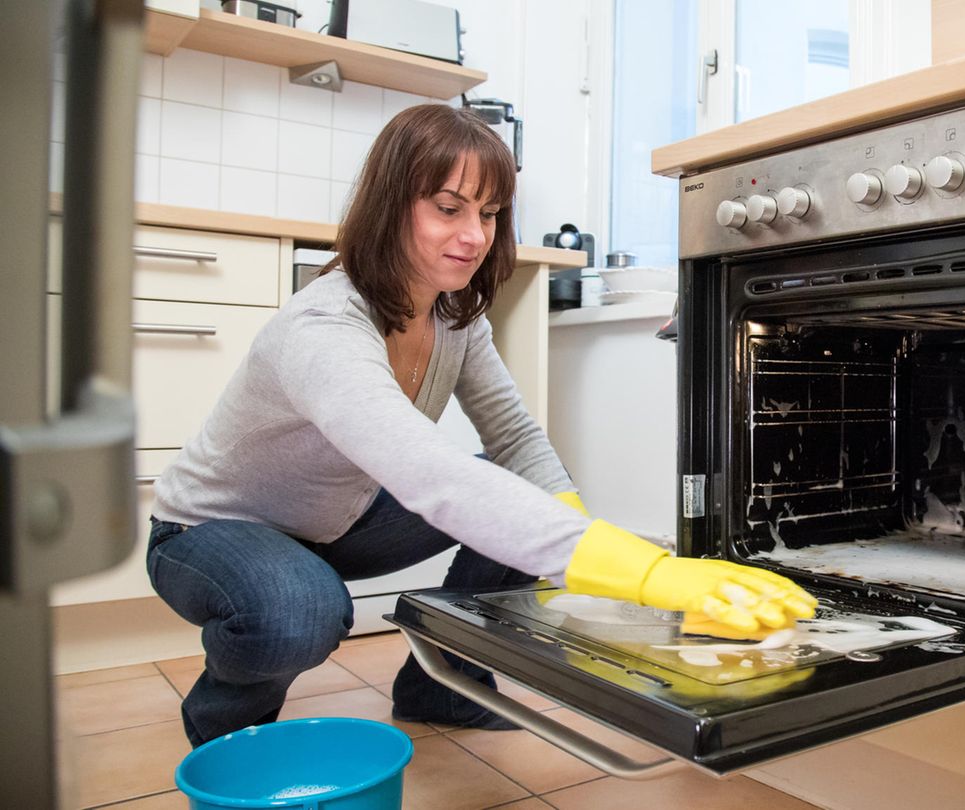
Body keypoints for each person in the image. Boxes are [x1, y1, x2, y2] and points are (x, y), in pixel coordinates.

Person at [146, 104, 816, 748]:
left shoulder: (454, 318)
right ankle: (227, 737)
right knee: (297, 612)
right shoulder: (323, 328)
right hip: (211, 532)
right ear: (390, 205)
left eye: (490, 213)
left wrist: (576, 547)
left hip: (335, 523)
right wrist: (644, 572)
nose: (474, 235)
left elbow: (517, 440)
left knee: (506, 490)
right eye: (448, 208)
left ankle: (444, 687)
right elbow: (426, 471)